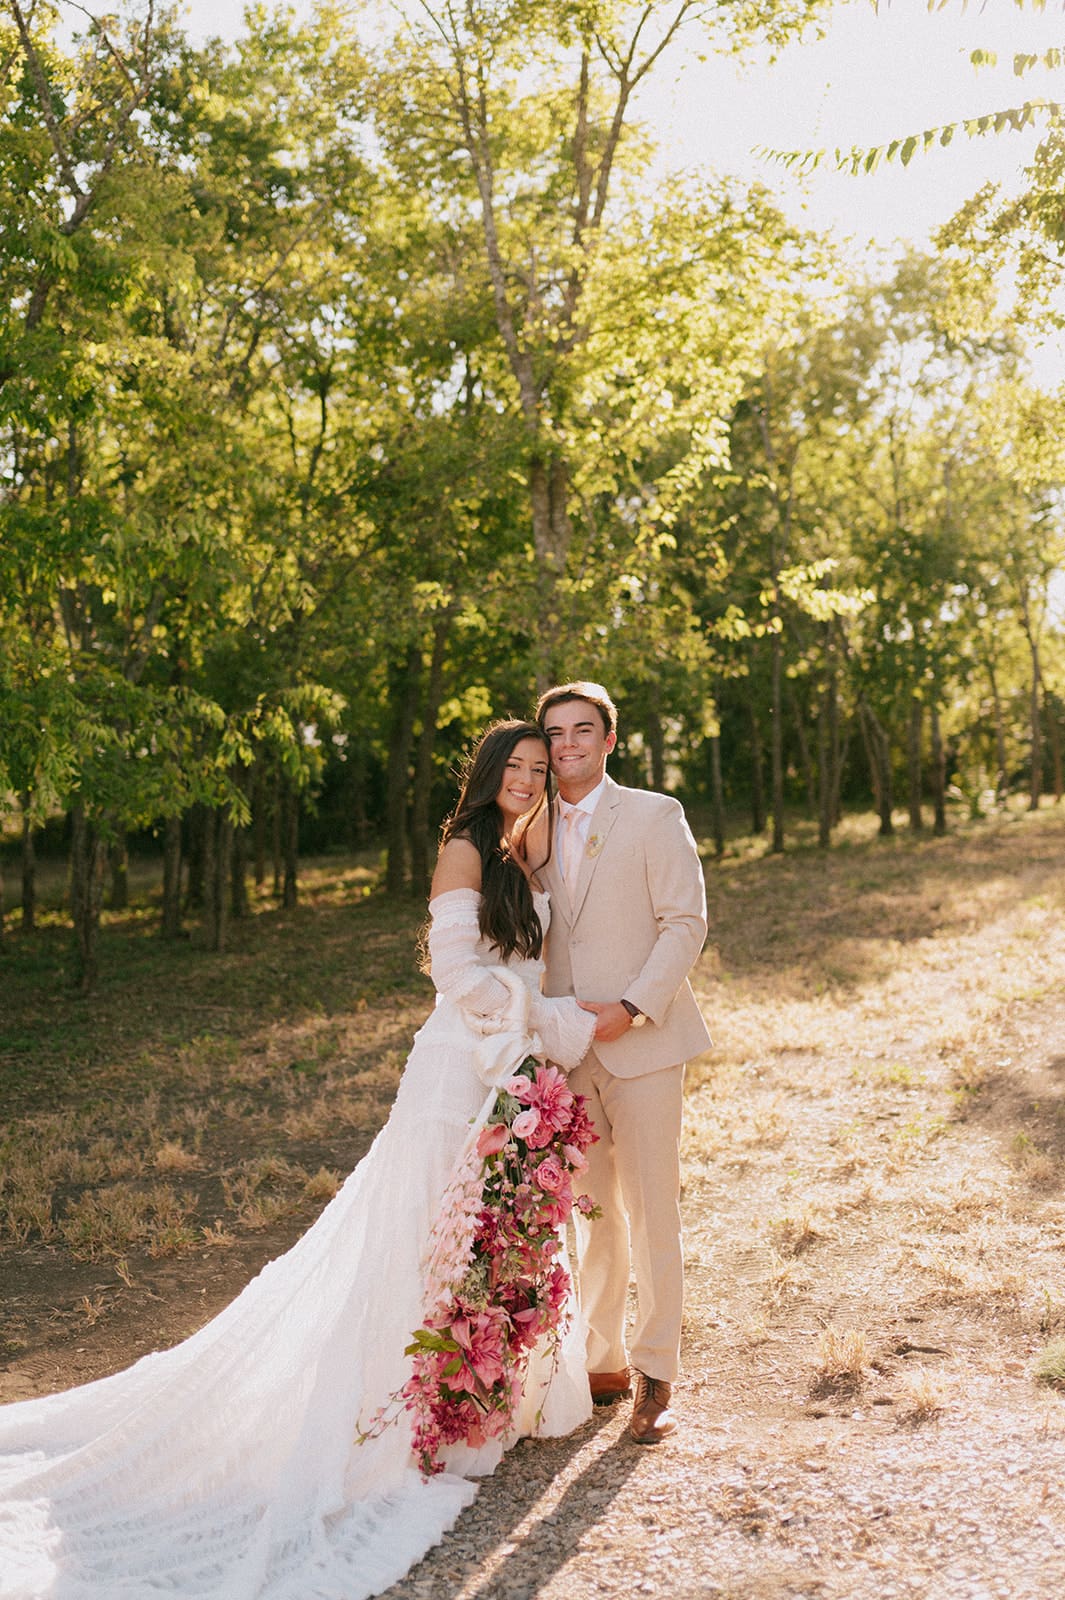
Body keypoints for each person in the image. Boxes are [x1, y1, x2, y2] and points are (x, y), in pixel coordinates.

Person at [0, 720, 598, 1600]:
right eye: (512, 766)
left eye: (537, 768)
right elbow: (454, 974)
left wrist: (543, 1041)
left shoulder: (520, 851)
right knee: (426, 1237)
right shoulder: (466, 851)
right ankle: (400, 1415)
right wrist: (553, 1026)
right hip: (459, 1068)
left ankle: (470, 1404)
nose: (525, 778)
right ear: (484, 775)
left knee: (482, 1239)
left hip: (509, 1069)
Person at [534, 681, 711, 1445]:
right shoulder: (525, 828)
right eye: (554, 733)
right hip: (564, 1054)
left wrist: (632, 1007)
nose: (566, 744)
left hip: (641, 1044)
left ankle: (657, 1374)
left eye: (582, 730)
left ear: (608, 741)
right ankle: (600, 1362)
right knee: (590, 1210)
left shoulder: (651, 815)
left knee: (650, 1210)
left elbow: (684, 923)